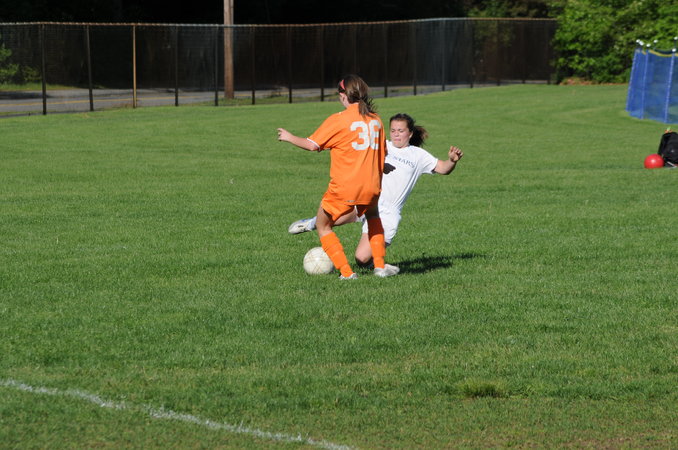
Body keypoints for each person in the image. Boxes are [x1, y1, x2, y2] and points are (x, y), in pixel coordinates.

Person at [288, 112, 463, 266]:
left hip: (387, 214)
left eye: (400, 130)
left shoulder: (418, 155)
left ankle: (372, 262)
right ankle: (311, 223)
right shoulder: (381, 145)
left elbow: (443, 169)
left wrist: (452, 161)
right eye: (393, 130)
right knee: (330, 221)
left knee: (361, 259)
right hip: (368, 199)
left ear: (410, 133)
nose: (396, 134)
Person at [277, 74, 399, 279]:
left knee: (323, 225)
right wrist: (381, 166)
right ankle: (380, 267)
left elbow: (312, 145)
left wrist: (289, 137)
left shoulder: (339, 120)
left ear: (343, 95)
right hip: (372, 185)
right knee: (373, 217)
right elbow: (380, 152)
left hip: (345, 188)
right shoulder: (376, 120)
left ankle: (347, 273)